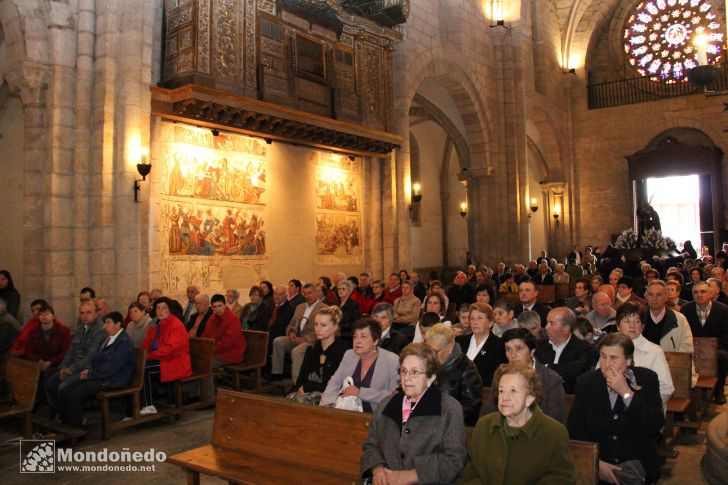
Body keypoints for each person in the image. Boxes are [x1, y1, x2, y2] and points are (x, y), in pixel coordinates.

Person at [360, 343, 467, 485]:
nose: (407, 378)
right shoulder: (386, 404)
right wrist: (377, 469)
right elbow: (371, 445)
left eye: (415, 372)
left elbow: (454, 459)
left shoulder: (449, 408)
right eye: (404, 371)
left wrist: (411, 475)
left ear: (431, 377)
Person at [568, 333, 665, 484]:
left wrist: (626, 392)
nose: (607, 364)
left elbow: (654, 425)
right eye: (603, 356)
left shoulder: (647, 379)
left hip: (636, 467)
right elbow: (575, 430)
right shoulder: (586, 383)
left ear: (628, 360)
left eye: (614, 358)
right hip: (598, 466)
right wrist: (595, 463)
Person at [461, 363, 576, 484]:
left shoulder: (553, 433)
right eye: (501, 390)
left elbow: (561, 478)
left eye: (513, 391)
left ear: (530, 398)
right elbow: (472, 473)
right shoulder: (484, 426)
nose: (505, 397)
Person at [58, 311, 136, 428]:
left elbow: (111, 367)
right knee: (65, 390)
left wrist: (90, 374)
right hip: (99, 375)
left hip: (114, 379)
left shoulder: (124, 342)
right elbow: (94, 358)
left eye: (108, 323)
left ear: (118, 324)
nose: (104, 326)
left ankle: (75, 430)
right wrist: (88, 369)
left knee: (74, 395)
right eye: (104, 323)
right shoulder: (107, 339)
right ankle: (66, 426)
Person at [320, 318, 399, 412]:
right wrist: (327, 403)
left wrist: (360, 392)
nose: (357, 341)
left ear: (376, 341)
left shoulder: (392, 360)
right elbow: (335, 382)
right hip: (346, 412)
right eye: (355, 336)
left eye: (363, 336)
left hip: (376, 417)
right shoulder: (349, 355)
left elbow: (395, 396)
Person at [44, 301, 105, 418]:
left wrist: (70, 370)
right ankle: (59, 415)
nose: (85, 316)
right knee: (49, 384)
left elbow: (91, 357)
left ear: (97, 313)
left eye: (89, 312)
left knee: (63, 387)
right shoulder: (80, 328)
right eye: (82, 313)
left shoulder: (100, 331)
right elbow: (71, 351)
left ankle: (69, 419)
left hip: (88, 369)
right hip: (73, 367)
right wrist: (63, 368)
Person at [496, 328, 567, 423]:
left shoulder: (551, 379)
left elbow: (554, 421)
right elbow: (491, 414)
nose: (512, 355)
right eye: (508, 349)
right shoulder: (501, 375)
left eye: (518, 348)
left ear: (532, 352)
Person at [140, 297, 192, 415]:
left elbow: (170, 350)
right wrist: (143, 355)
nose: (160, 311)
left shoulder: (176, 325)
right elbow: (146, 343)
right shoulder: (156, 324)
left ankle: (148, 405)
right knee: (139, 365)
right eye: (158, 308)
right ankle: (138, 401)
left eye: (164, 308)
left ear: (170, 310)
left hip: (176, 362)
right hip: (161, 360)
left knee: (145, 368)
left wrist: (148, 356)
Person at [424, 323, 482, 426]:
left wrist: (439, 419)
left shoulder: (467, 370)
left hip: (449, 427)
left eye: (435, 351)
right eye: (427, 350)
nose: (430, 356)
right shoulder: (422, 363)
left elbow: (470, 411)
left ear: (450, 347)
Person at [290, 306, 348, 405]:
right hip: (309, 396)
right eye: (316, 324)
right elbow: (300, 381)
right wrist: (307, 387)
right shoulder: (312, 349)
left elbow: (335, 386)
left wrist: (309, 386)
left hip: (333, 399)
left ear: (335, 327)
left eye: (323, 325)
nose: (318, 329)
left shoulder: (344, 352)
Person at [681, 281, 728, 404]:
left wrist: (710, 348)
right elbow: (683, 333)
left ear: (711, 293)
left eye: (703, 291)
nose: (699, 295)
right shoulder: (686, 309)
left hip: (715, 348)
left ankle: (719, 390)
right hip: (692, 347)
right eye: (695, 292)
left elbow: (726, 334)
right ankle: (684, 391)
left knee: (722, 356)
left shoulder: (723, 310)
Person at [270, 283, 325, 382]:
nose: (307, 296)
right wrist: (291, 333)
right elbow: (292, 323)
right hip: (297, 337)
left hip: (312, 341)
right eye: (305, 294)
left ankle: (297, 382)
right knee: (278, 341)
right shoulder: (300, 307)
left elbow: (323, 330)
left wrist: (305, 339)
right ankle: (277, 373)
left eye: (310, 293)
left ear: (317, 293)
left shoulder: (324, 309)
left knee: (297, 351)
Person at [535, 307, 594, 393]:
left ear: (566, 328)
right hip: (542, 397)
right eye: (547, 322)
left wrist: (546, 367)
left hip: (570, 399)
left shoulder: (583, 348)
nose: (546, 327)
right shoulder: (539, 346)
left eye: (551, 323)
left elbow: (576, 371)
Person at [23, 303, 72, 395]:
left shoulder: (64, 331)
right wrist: (38, 361)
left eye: (47, 313)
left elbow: (66, 352)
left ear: (53, 316)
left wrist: (50, 362)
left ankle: (44, 401)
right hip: (39, 363)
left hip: (57, 364)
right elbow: (29, 352)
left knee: (47, 374)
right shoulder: (33, 332)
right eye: (41, 314)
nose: (44, 316)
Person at [204, 294, 247, 395]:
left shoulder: (233, 318)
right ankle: (196, 394)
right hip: (218, 351)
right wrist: (205, 349)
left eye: (220, 306)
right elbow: (207, 335)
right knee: (198, 360)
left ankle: (209, 397)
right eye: (214, 307)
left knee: (206, 363)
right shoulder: (212, 318)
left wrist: (210, 350)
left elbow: (228, 342)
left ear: (225, 305)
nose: (217, 309)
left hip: (232, 353)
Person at [456, 303, 505, 387]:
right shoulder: (460, 341)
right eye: (472, 318)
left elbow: (495, 378)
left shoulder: (498, 345)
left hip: (483, 393)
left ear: (490, 322)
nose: (475, 322)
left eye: (479, 318)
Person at [642, 280, 694, 353]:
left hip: (671, 362)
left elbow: (686, 348)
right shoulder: (638, 318)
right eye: (650, 294)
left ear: (666, 297)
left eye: (658, 294)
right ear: (646, 297)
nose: (654, 298)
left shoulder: (679, 319)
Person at [337, 279, 363, 344]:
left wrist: (340, 333)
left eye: (343, 289)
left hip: (348, 338)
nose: (340, 291)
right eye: (339, 289)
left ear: (349, 291)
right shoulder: (336, 305)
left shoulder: (354, 305)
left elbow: (356, 325)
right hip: (336, 336)